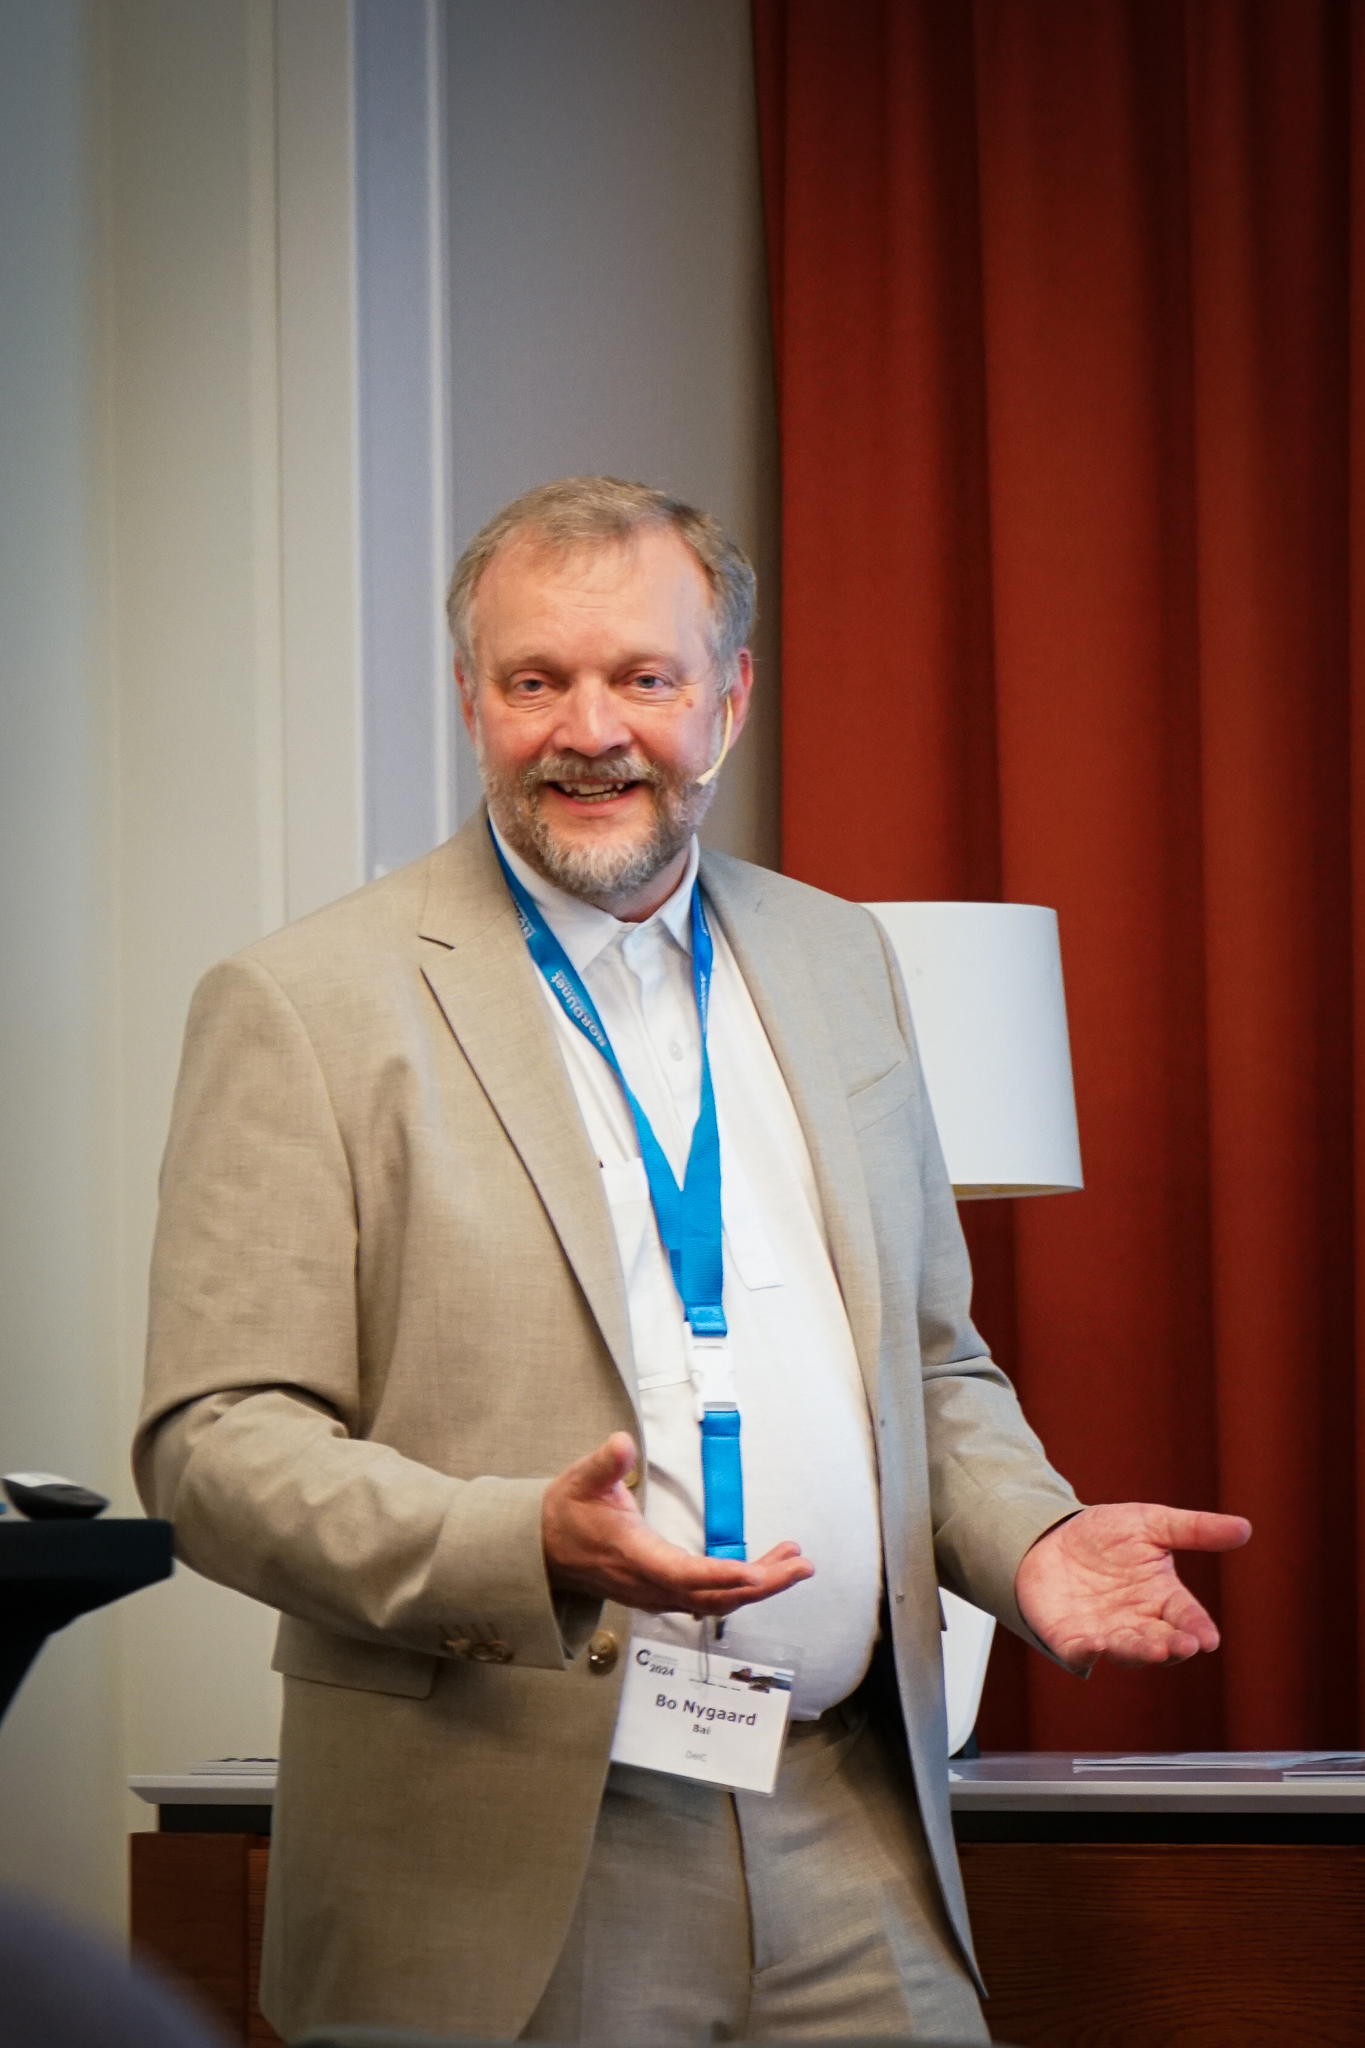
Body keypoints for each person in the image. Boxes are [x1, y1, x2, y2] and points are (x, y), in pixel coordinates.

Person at [134, 477, 1250, 2044]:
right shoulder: (308, 1003)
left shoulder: (838, 956)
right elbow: (213, 1446)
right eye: (535, 680)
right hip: (503, 1848)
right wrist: (522, 1540)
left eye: (643, 678)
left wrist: (1029, 1539)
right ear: (470, 699)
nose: (588, 730)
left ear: (726, 699)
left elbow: (928, 1362)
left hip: (846, 1821)